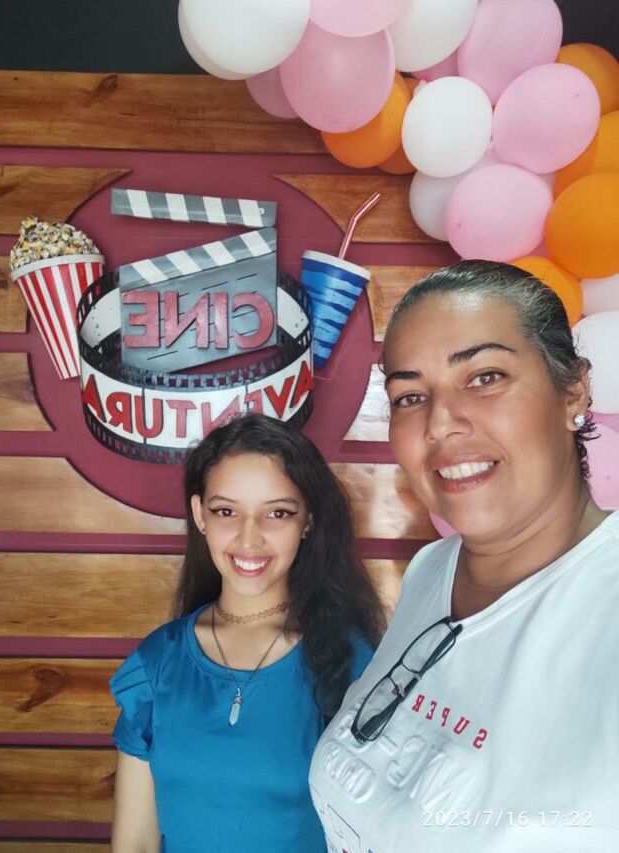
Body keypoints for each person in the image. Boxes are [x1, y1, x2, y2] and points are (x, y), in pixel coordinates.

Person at [309, 260, 619, 853]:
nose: (441, 424)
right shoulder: (433, 570)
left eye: (485, 377)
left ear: (573, 389)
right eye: (410, 396)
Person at [110, 413, 385, 853]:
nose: (249, 538)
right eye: (226, 511)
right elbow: (136, 843)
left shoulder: (352, 662)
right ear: (199, 515)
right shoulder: (157, 663)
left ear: (308, 521)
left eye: (277, 513)